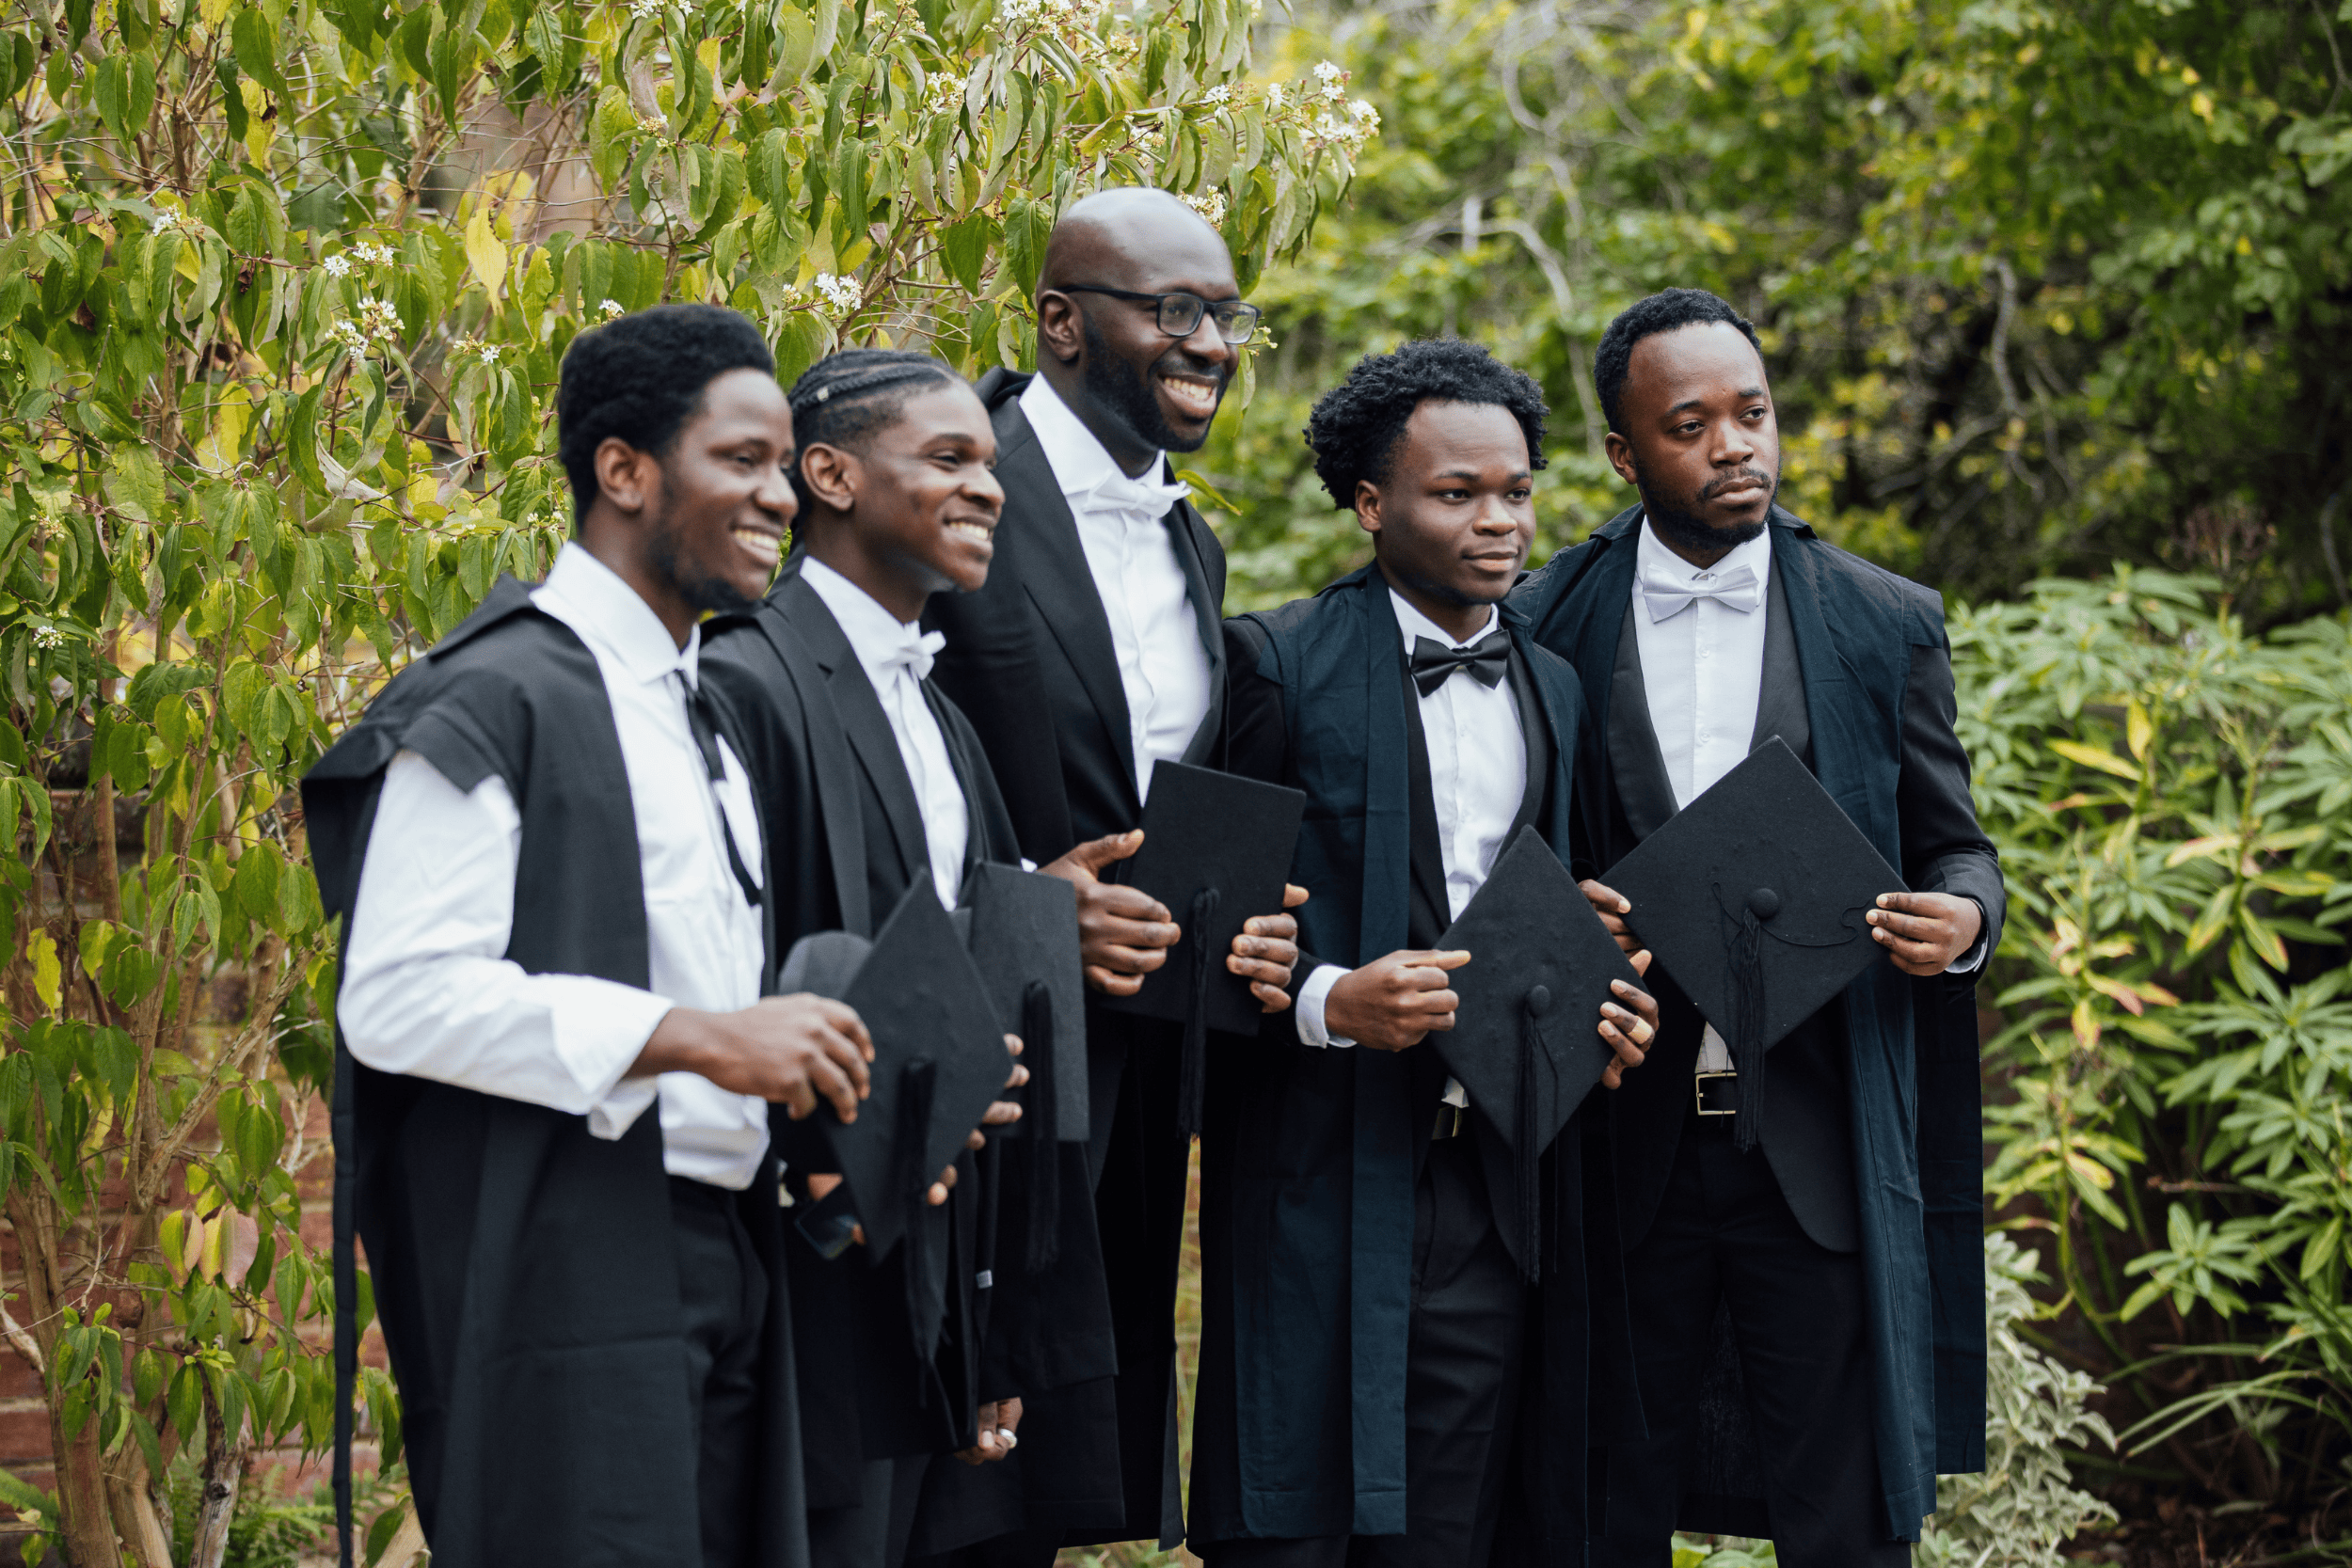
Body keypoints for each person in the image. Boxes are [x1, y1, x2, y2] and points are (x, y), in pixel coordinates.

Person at [303, 304, 872, 1568]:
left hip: (734, 1261)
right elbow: (394, 996)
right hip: (571, 1269)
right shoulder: (497, 695)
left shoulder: (703, 714)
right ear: (622, 469)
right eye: (742, 459)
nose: (782, 496)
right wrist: (702, 1038)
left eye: (785, 464)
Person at [1511, 288, 2004, 1565]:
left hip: (1822, 1153)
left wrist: (1965, 916)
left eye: (1756, 411)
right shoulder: (1545, 619)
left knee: (1846, 1522)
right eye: (1692, 423)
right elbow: (1504, 860)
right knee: (1595, 1507)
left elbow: (1959, 843)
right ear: (1625, 454)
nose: (1738, 443)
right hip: (1620, 1155)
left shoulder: (1884, 619)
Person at [1189, 339, 1660, 1567]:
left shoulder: (1555, 689)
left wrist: (1606, 1011)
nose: (1498, 520)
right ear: (1369, 501)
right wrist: (1331, 999)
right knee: (1294, 1520)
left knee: (1457, 1529)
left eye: (1515, 490)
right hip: (1317, 1175)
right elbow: (1193, 926)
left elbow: (1566, 917)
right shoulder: (1271, 662)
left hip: (1495, 1187)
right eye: (1457, 492)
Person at [919, 187, 1304, 1561]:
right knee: (951, 1465)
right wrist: (1023, 892)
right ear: (1061, 323)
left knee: (1075, 1461)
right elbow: (841, 742)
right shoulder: (947, 483)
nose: (1210, 341)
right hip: (974, 1047)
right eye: (1174, 310)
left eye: (1225, 314)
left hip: (1138, 1057)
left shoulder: (1193, 539)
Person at [701, 349, 1043, 1568]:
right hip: (801, 1247)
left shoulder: (940, 713)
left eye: (990, 467)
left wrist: (985, 1328)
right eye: (948, 458)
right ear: (829, 474)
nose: (987, 489)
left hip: (929, 1251)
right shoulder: (744, 678)